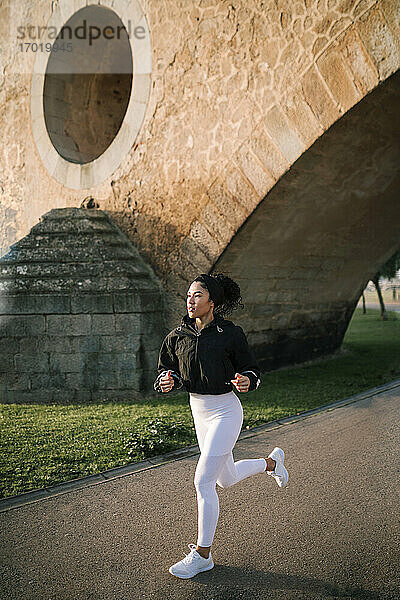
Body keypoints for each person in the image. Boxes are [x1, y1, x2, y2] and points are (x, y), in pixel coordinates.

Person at [153, 273, 288, 579]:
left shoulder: (230, 333)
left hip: (226, 412)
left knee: (203, 482)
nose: (190, 300)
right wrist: (165, 381)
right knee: (224, 480)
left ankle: (203, 554)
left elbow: (252, 369)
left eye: (197, 295)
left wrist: (247, 380)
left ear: (212, 302)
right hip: (199, 415)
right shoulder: (177, 336)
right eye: (188, 295)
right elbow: (165, 372)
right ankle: (271, 463)